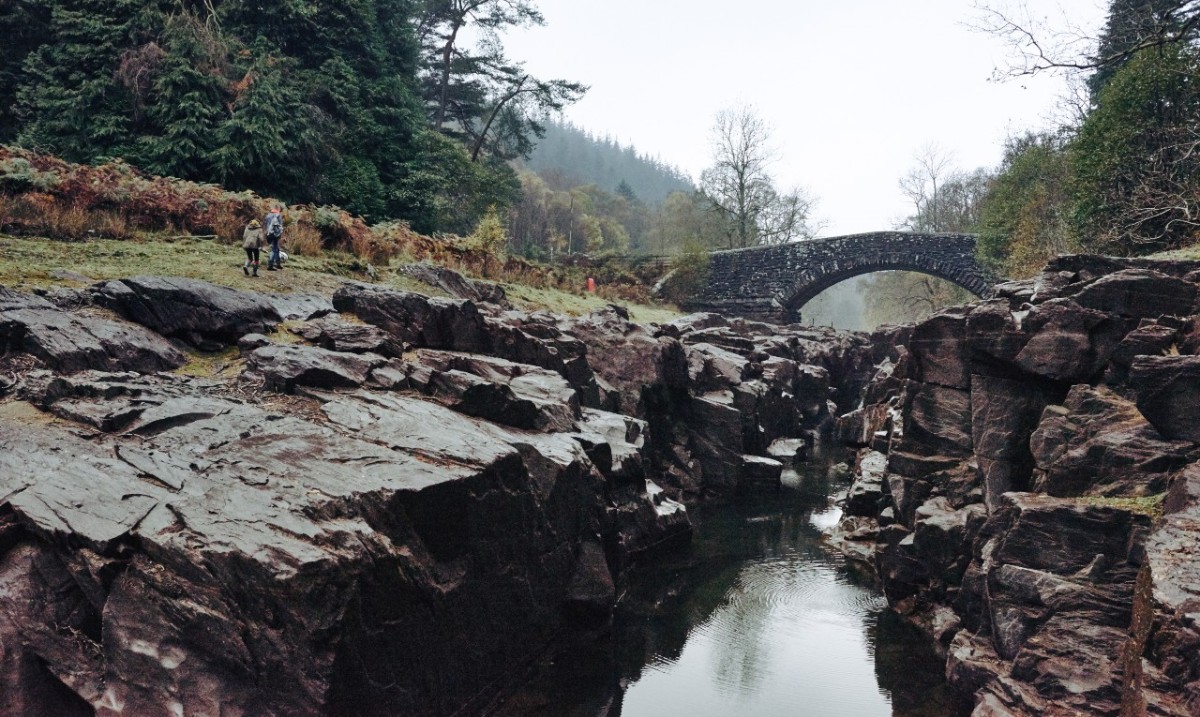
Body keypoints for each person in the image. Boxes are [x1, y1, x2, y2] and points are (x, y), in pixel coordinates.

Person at [264, 205, 284, 270]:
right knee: (274, 249)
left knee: (276, 248)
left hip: (268, 233)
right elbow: (280, 226)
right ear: (278, 209)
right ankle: (270, 265)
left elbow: (265, 225)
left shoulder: (268, 215)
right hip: (275, 234)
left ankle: (278, 264)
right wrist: (279, 234)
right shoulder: (278, 215)